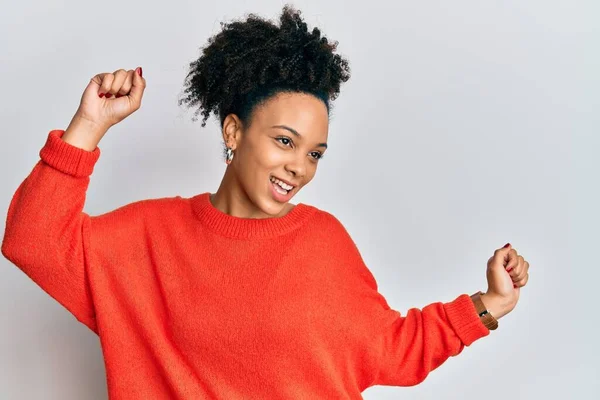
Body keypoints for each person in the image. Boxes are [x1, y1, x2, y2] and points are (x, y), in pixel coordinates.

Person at [1, 5, 530, 399]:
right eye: (284, 141)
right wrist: (89, 126)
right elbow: (33, 242)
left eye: (315, 152)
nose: (300, 166)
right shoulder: (147, 237)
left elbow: (390, 349)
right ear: (234, 130)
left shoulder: (324, 241)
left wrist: (491, 302)